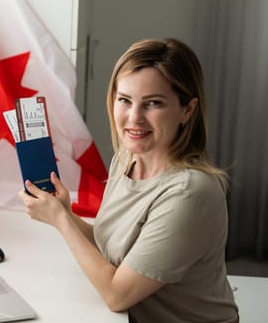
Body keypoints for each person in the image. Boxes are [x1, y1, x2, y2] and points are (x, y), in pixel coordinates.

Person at [18, 38, 239, 322]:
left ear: (188, 110)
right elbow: (111, 250)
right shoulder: (126, 159)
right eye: (125, 100)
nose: (134, 118)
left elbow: (116, 294)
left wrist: (61, 221)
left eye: (153, 103)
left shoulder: (190, 194)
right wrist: (65, 213)